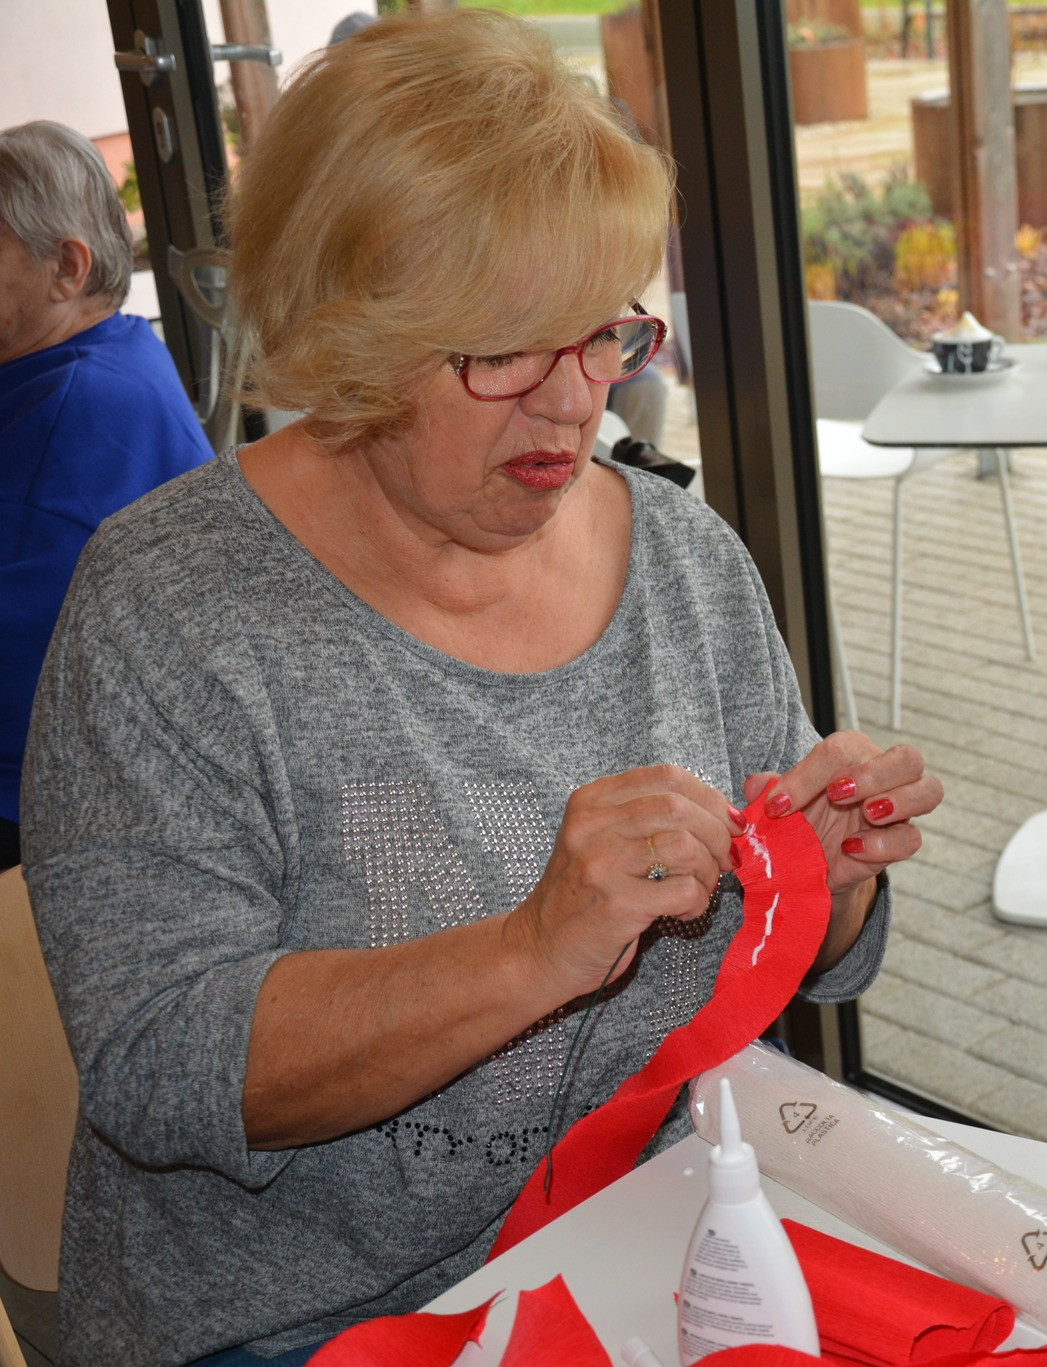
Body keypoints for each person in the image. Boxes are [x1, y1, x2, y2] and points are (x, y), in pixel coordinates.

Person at [19, 13, 938, 1366]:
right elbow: (165, 1065)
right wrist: (529, 948)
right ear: (355, 336)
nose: (575, 405)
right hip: (280, 1324)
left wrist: (838, 867)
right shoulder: (169, 610)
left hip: (634, 1249)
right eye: (503, 350)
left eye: (608, 335)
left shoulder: (679, 556)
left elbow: (813, 944)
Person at [0, 120, 211, 871]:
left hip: (46, 804)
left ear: (67, 266)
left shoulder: (77, 404)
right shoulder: (106, 350)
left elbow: (25, 672)